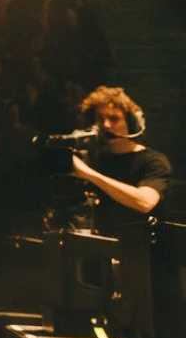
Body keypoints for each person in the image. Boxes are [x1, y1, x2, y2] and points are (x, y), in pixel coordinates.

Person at [70, 86, 168, 239]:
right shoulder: (96, 157)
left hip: (138, 245)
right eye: (100, 119)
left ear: (131, 123)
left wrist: (87, 173)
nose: (106, 125)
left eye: (114, 119)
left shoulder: (154, 161)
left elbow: (145, 202)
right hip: (99, 243)